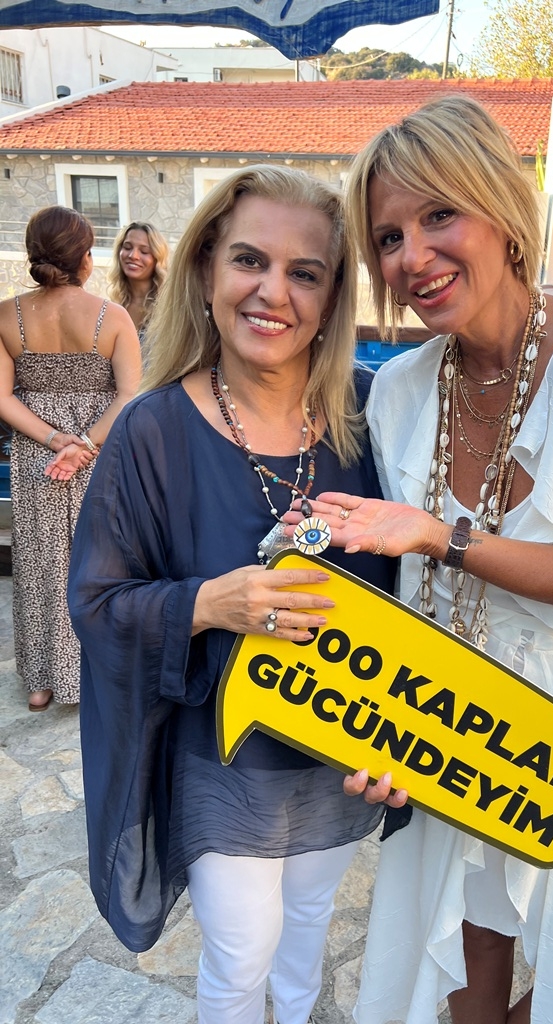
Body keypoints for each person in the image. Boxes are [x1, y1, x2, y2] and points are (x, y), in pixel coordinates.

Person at [288, 96, 553, 1024]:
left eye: (440, 214)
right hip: (460, 717)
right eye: (388, 237)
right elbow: (408, 597)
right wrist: (380, 729)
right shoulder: (398, 390)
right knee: (462, 947)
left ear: (502, 209)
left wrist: (444, 535)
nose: (413, 256)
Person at [67, 165, 396, 1024]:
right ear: (209, 267)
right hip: (221, 753)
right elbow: (96, 603)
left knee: (308, 931)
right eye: (250, 259)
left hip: (340, 745)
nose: (272, 292)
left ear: (333, 297)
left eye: (305, 272)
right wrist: (208, 604)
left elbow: (422, 582)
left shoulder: (372, 415)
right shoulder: (152, 430)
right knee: (242, 952)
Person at [0, 205, 141, 711]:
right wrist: (83, 443)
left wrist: (56, 439)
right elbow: (130, 396)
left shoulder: (6, 315)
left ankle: (42, 681)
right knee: (101, 560)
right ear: (85, 258)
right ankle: (96, 671)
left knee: (39, 561)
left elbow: (2, 397)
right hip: (99, 454)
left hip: (37, 454)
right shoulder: (112, 316)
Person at [107, 220, 169, 342]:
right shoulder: (113, 305)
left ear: (157, 259)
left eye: (144, 251)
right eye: (127, 247)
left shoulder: (169, 307)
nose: (133, 256)